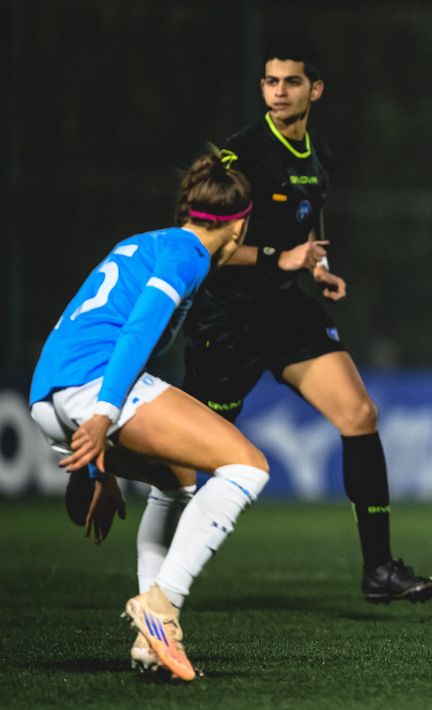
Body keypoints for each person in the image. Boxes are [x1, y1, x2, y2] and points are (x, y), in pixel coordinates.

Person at [180, 37, 432, 604]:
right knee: (185, 457)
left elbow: (308, 225)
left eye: (291, 82)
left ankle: (379, 571)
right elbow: (203, 245)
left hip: (280, 309)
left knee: (359, 414)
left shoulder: (315, 157)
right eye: (270, 82)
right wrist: (282, 259)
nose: (278, 92)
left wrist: (319, 268)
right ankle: (152, 560)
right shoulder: (242, 155)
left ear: (314, 90)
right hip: (223, 317)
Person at [29, 150, 266, 681]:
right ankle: (161, 607)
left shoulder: (143, 242)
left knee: (179, 480)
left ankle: (148, 642)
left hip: (49, 394)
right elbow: (139, 328)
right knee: (247, 466)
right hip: (94, 388)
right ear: (238, 225)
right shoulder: (188, 257)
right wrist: (104, 416)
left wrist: (99, 467)